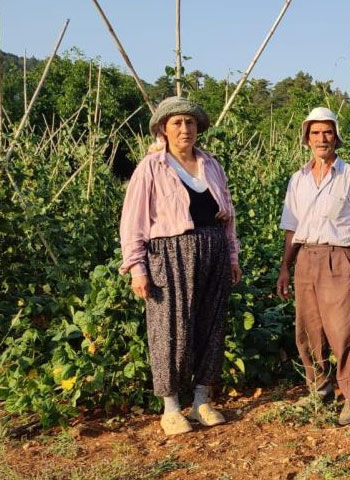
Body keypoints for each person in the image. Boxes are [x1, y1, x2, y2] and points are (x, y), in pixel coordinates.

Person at [119, 96, 242, 436]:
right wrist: (137, 267)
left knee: (210, 324)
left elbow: (227, 216)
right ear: (163, 129)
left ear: (198, 128)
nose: (185, 129)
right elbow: (133, 221)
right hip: (169, 254)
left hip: (213, 250)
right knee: (170, 328)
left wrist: (232, 256)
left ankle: (202, 401)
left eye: (190, 123)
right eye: (177, 123)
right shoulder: (152, 167)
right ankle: (171, 407)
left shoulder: (211, 165)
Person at [277, 106, 350, 426]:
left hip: (339, 257)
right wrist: (285, 268)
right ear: (307, 139)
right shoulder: (298, 180)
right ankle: (320, 388)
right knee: (308, 329)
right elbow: (292, 228)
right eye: (315, 133)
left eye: (328, 132)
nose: (322, 139)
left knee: (343, 327)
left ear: (337, 137)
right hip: (306, 257)